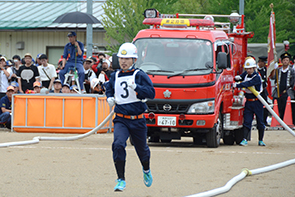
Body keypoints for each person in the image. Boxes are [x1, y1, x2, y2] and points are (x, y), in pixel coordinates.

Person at [105, 43, 155, 191]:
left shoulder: (139, 75)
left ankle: (146, 169)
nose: (123, 61)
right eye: (121, 58)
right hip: (121, 118)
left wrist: (137, 88)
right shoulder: (115, 75)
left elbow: (151, 93)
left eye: (127, 58)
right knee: (118, 144)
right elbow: (109, 88)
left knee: (142, 150)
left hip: (137, 119)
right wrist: (109, 97)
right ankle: (121, 179)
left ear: (134, 60)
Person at [234, 58, 266, 146]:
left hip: (257, 102)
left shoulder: (256, 77)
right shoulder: (246, 74)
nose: (248, 70)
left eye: (250, 68)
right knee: (247, 121)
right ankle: (245, 139)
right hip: (248, 101)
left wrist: (237, 85)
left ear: (254, 68)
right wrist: (236, 78)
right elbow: (240, 77)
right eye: (247, 69)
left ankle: (260, 140)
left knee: (260, 121)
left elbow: (248, 84)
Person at [269, 52, 295, 124]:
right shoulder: (278, 70)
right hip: (278, 91)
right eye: (284, 60)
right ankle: (278, 121)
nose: (285, 61)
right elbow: (273, 78)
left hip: (287, 91)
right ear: (282, 61)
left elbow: (293, 82)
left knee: (287, 106)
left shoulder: (291, 71)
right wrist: (273, 69)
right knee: (278, 105)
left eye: (287, 60)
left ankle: (288, 121)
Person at [257, 56, 270, 126]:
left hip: (264, 90)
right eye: (263, 62)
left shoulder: (265, 69)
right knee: (258, 107)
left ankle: (264, 121)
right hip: (258, 91)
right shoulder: (256, 70)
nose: (264, 64)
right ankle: (259, 121)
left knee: (265, 107)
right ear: (260, 62)